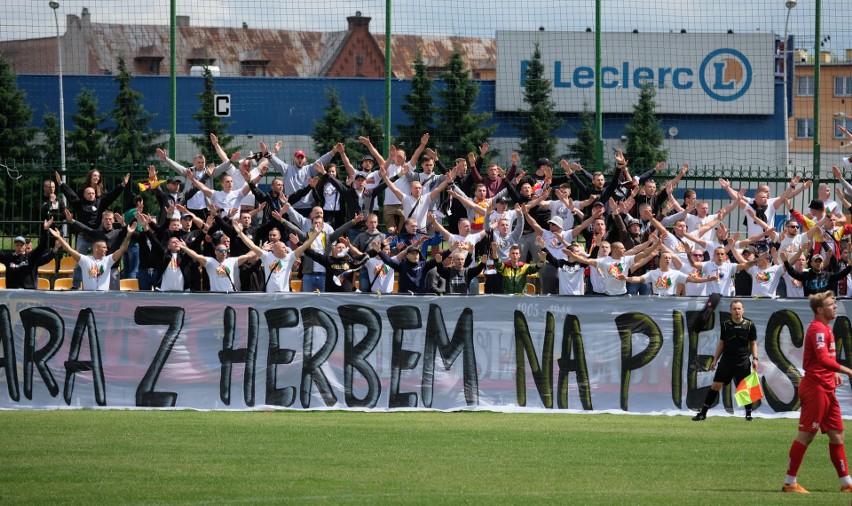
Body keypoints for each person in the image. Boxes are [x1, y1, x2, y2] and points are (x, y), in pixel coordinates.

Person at [781, 292, 852, 494]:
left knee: (837, 434)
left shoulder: (825, 329)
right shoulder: (817, 329)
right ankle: (789, 483)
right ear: (820, 310)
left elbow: (824, 359)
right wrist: (846, 370)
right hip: (816, 388)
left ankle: (847, 483)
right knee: (806, 435)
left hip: (827, 387)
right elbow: (821, 359)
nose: (835, 307)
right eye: (831, 304)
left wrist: (833, 373)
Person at [692, 300, 758, 421]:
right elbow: (721, 343)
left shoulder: (750, 325)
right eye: (734, 309)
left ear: (743, 310)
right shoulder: (725, 325)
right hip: (727, 359)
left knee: (744, 388)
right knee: (716, 385)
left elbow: (753, 343)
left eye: (739, 308)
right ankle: (703, 413)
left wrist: (755, 358)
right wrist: (715, 360)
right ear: (730, 311)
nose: (737, 311)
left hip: (743, 360)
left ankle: (748, 414)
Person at [48, 224, 134, 291]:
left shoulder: (108, 260)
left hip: (103, 297)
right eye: (104, 248)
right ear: (96, 248)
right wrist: (59, 237)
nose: (106, 249)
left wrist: (129, 235)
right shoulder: (85, 260)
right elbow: (70, 250)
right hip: (88, 297)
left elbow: (122, 249)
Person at [0, 221, 55, 289]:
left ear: (25, 246)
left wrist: (45, 230)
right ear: (14, 246)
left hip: (29, 293)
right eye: (17, 245)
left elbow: (41, 247)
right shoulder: (8, 257)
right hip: (12, 293)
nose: (19, 247)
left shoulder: (30, 257)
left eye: (21, 245)